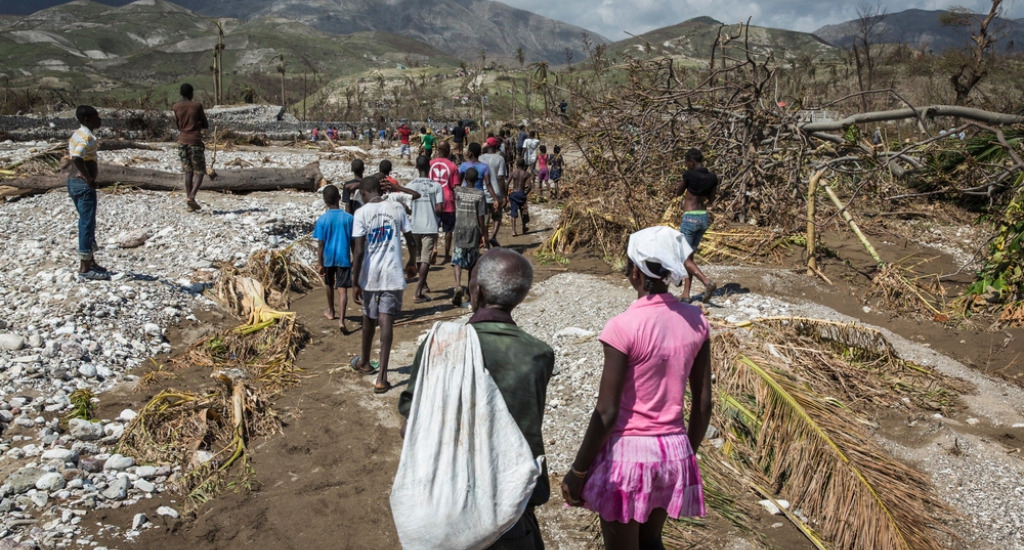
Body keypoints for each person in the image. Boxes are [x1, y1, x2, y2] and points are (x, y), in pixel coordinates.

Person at [561, 226, 712, 550]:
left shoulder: (623, 327)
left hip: (629, 459)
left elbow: (607, 411)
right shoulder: (697, 322)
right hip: (674, 451)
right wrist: (687, 455)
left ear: (635, 271)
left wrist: (578, 470)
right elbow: (703, 403)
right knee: (652, 539)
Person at [399, 248, 554, 550]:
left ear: (477, 291)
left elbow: (410, 429)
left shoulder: (440, 345)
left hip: (445, 504)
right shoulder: (538, 355)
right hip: (509, 507)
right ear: (519, 296)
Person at [351, 174, 416, 394]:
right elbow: (411, 239)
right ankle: (382, 377)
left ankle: (365, 362)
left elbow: (359, 252)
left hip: (371, 275)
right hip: (393, 272)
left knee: (369, 317)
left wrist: (355, 281)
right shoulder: (396, 207)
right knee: (386, 319)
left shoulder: (361, 213)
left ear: (363, 193)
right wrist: (412, 261)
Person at [67, 105, 109, 281]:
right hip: (83, 185)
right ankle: (84, 268)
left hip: (73, 183)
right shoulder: (87, 137)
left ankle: (91, 261)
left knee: (88, 223)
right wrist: (88, 177)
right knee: (86, 224)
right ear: (87, 120)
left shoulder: (77, 133)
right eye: (96, 117)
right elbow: (77, 157)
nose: (99, 120)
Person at [675, 148, 718, 303]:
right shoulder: (712, 177)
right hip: (703, 219)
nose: (686, 166)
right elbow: (711, 199)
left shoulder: (689, 175)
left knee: (683, 256)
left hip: (690, 218)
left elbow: (678, 192)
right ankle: (686, 294)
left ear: (691, 161)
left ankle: (707, 282)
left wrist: (684, 184)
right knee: (689, 257)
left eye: (687, 163)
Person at [315, 185, 355, 333]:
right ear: (339, 198)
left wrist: (320, 263)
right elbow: (353, 241)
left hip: (328, 257)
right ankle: (342, 320)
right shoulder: (349, 218)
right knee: (343, 289)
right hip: (343, 257)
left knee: (329, 284)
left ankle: (331, 311)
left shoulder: (322, 220)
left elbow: (320, 243)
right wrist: (354, 257)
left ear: (325, 201)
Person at [406, 155, 443, 303]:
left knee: (419, 257)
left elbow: (407, 207)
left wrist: (415, 210)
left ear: (416, 167)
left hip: (415, 226)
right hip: (430, 225)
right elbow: (439, 208)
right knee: (426, 258)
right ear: (429, 167)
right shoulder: (436, 186)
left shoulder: (409, 185)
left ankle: (422, 285)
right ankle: (418, 292)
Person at [451, 168, 487, 307]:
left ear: (465, 178)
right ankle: (470, 290)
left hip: (460, 227)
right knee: (472, 262)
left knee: (457, 260)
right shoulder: (479, 194)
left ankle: (458, 285)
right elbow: (481, 216)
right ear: (477, 179)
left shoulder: (458, 191)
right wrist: (483, 234)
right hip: (473, 229)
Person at [172, 83, 209, 212]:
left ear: (181, 94)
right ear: (192, 93)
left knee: (188, 172)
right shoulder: (197, 106)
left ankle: (189, 204)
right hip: (194, 141)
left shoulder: (176, 107)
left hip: (182, 141)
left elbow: (179, 126)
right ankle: (192, 196)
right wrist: (197, 124)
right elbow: (205, 124)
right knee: (200, 171)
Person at [458, 143, 497, 246]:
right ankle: (484, 241)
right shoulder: (484, 167)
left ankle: (468, 242)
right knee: (482, 221)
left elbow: (458, 183)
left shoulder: (464, 166)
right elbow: (488, 184)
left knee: (467, 220)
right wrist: (495, 199)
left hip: (466, 196)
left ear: (470, 153)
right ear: (479, 153)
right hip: (480, 196)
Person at [430, 141, 460, 264]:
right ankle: (447, 255)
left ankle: (435, 247)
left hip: (433, 200)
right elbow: (454, 185)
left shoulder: (430, 163)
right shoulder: (452, 166)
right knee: (448, 230)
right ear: (448, 150)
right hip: (448, 200)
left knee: (433, 228)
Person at [479, 143, 508, 248]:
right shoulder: (500, 159)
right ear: (496, 147)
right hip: (497, 192)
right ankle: (494, 236)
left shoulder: (480, 158)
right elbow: (501, 178)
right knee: (497, 217)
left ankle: (485, 241)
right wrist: (504, 195)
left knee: (485, 220)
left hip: (483, 192)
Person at [508, 158, 532, 237]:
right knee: (523, 211)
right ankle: (524, 228)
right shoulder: (526, 174)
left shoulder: (513, 173)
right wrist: (525, 193)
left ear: (517, 165)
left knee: (513, 212)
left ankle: (513, 231)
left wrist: (506, 194)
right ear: (524, 165)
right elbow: (529, 186)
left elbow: (507, 183)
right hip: (521, 193)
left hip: (514, 193)